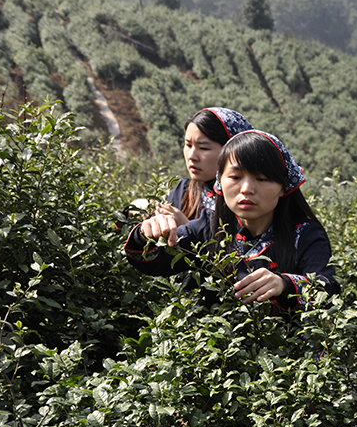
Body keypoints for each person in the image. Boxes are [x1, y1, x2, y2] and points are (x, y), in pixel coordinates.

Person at [124, 129, 339, 311]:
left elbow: (327, 289)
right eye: (235, 177)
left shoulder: (305, 235)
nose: (246, 189)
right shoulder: (210, 230)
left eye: (261, 179)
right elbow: (154, 262)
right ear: (220, 182)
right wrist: (145, 235)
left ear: (283, 187)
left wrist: (285, 284)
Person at [158, 107, 253, 225]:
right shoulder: (183, 192)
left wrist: (185, 228)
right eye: (188, 145)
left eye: (203, 148)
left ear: (232, 151)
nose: (192, 156)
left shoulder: (247, 199)